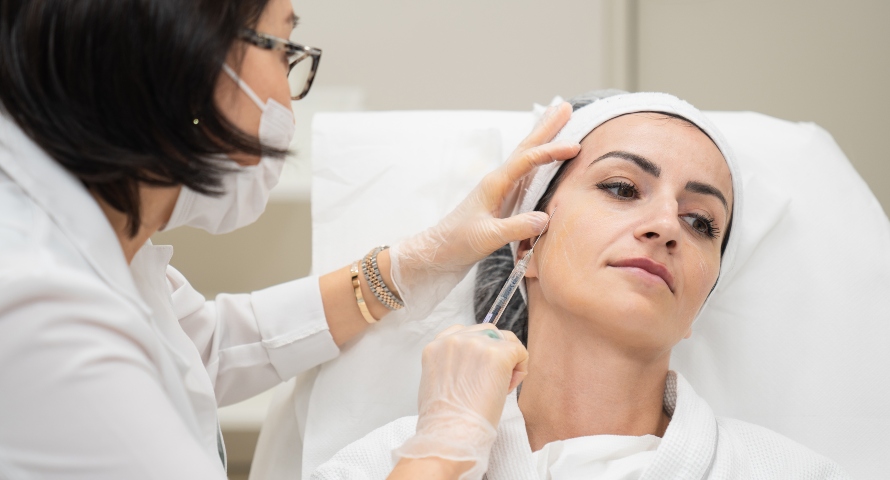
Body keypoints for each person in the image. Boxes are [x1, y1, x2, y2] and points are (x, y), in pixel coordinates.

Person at [0, 0, 576, 477]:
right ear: (189, 56)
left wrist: (409, 265)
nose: (287, 89)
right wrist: (442, 445)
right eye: (283, 49)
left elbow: (205, 347)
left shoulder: (89, 239)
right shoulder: (40, 308)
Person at [310, 92, 850, 479]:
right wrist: (443, 454)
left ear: (700, 302)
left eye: (700, 222)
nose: (665, 224)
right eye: (622, 187)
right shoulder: (378, 465)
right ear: (526, 245)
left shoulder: (794, 472)